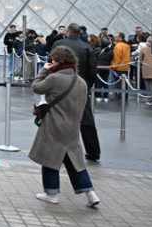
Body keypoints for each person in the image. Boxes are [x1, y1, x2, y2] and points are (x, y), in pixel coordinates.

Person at [29, 46, 101, 207]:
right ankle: (90, 192)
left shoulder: (55, 78)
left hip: (54, 125)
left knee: (50, 158)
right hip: (73, 126)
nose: (51, 62)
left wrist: (43, 70)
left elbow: (36, 87)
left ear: (59, 61)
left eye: (53, 60)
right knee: (74, 161)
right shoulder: (80, 81)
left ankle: (51, 192)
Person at [52, 24, 100, 161]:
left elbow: (52, 64)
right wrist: (87, 86)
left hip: (59, 86)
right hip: (80, 86)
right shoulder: (87, 47)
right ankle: (93, 151)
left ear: (68, 32)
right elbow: (92, 71)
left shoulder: (59, 43)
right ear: (79, 33)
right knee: (86, 119)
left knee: (58, 118)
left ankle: (57, 151)